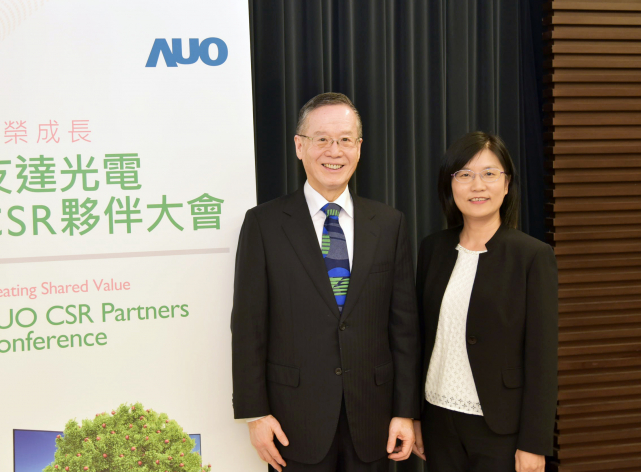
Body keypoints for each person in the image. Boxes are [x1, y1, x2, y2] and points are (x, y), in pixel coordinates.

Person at [231, 92, 420, 471]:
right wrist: (255, 414)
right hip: (293, 420)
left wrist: (405, 411)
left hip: (374, 418)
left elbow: (404, 327)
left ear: (359, 148)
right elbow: (249, 326)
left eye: (345, 139)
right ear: (300, 146)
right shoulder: (263, 224)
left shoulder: (389, 223)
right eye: (322, 139)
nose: (334, 151)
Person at [412, 131, 558, 472]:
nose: (477, 185)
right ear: (450, 185)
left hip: (501, 428)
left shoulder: (532, 256)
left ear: (506, 185)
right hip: (438, 421)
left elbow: (542, 358)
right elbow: (418, 339)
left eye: (489, 174)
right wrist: (414, 415)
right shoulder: (433, 249)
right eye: (465, 174)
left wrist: (534, 443)